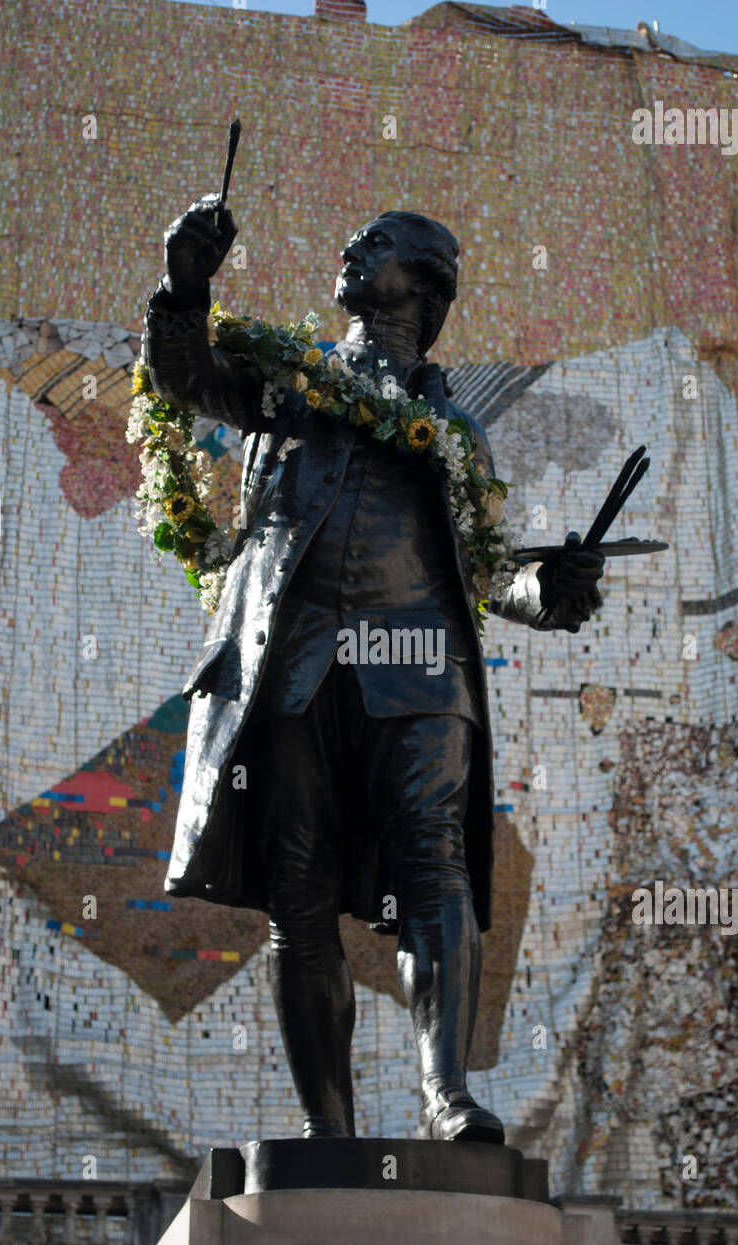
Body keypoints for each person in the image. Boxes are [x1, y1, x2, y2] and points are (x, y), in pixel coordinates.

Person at [142, 195, 605, 1143]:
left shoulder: (455, 436)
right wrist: (186, 284)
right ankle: (332, 1131)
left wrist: (555, 588)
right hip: (294, 661)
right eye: (357, 239)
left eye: (380, 243)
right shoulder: (289, 383)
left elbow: (488, 576)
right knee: (298, 891)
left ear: (426, 285)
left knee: (435, 864)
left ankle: (448, 1099)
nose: (352, 247)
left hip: (420, 668)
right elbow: (185, 376)